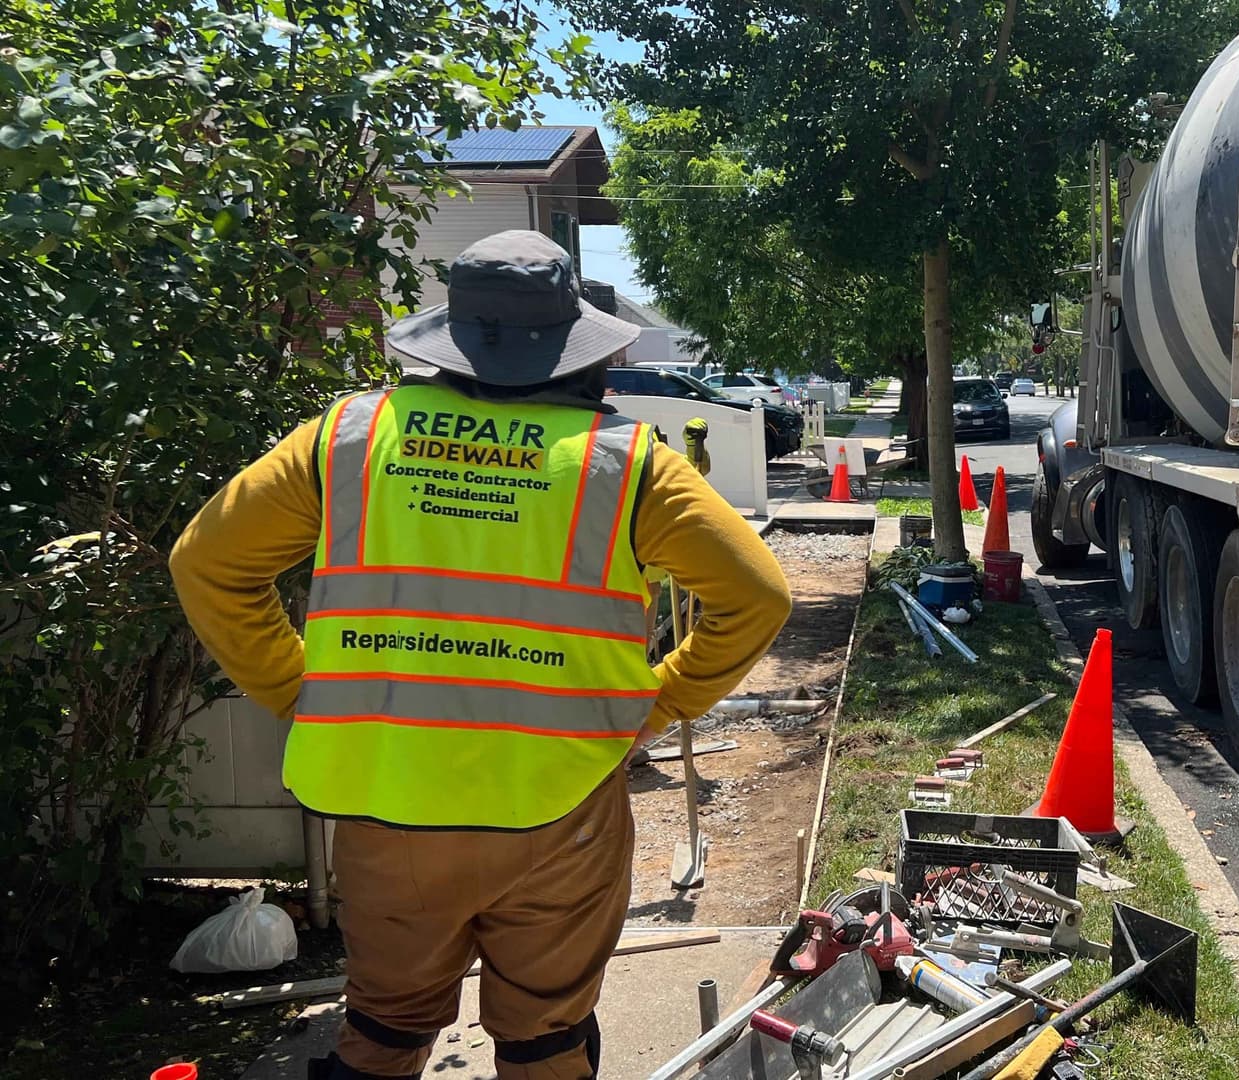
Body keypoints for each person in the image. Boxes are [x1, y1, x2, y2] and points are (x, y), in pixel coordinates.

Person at [170, 231, 792, 1080]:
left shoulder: (347, 438)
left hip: (385, 803)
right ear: (579, 349)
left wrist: (296, 690)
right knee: (545, 1038)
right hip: (559, 805)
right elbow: (758, 597)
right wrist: (665, 700)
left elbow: (205, 564)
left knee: (383, 1030)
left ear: (450, 338)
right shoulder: (625, 466)